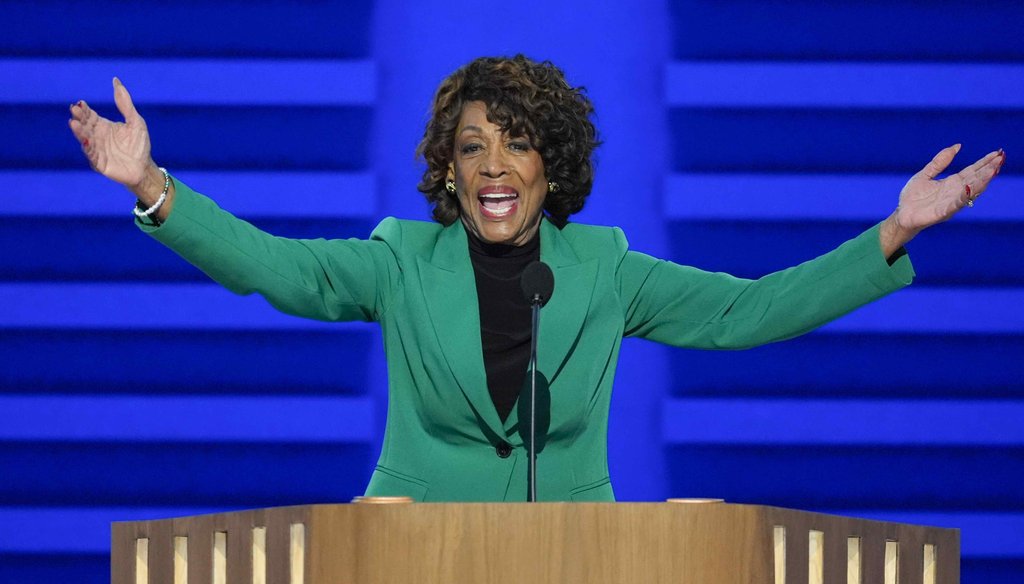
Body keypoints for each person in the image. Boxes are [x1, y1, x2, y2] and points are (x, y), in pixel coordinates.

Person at [67, 55, 1005, 502]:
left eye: (518, 145)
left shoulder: (605, 270)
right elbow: (279, 269)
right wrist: (153, 187)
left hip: (575, 555)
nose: (494, 164)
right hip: (412, 556)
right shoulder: (400, 260)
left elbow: (744, 312)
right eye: (472, 147)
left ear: (551, 168)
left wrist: (890, 232)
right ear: (447, 170)